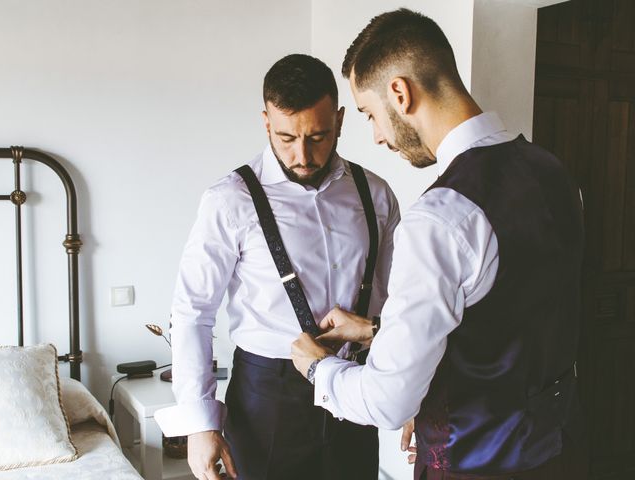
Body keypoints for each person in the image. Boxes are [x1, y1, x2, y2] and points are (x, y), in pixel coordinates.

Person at [291, 9, 587, 480]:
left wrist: (317, 369)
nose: (377, 137)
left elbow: (388, 401)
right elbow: (504, 319)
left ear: (400, 93)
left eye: (370, 115)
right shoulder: (555, 173)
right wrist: (374, 329)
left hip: (471, 467)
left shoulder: (441, 218)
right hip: (561, 453)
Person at [154, 53, 400, 480]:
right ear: (266, 121)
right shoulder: (230, 199)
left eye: (318, 136)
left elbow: (400, 299)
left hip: (355, 386)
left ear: (339, 120)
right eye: (286, 137)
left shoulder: (375, 194)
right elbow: (193, 310)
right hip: (268, 395)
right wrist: (200, 423)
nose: (302, 154)